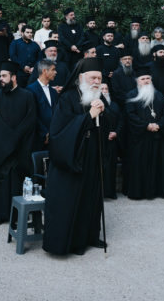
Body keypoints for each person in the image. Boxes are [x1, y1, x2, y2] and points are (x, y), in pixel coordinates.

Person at [43, 58, 111, 255]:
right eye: (92, 78)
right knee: (72, 201)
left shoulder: (99, 96)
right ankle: (71, 243)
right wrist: (89, 116)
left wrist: (104, 112)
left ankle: (90, 236)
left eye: (99, 78)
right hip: (73, 158)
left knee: (91, 198)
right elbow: (59, 132)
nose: (96, 81)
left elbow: (110, 122)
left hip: (93, 156)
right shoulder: (67, 98)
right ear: (81, 78)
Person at [0, 61, 36, 225]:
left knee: (17, 181)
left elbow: (31, 120)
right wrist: (9, 139)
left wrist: (16, 138)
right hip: (1, 148)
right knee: (2, 181)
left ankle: (17, 213)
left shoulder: (27, 96)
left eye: (4, 76)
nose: (1, 79)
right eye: (0, 76)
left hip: (20, 148)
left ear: (13, 77)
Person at [124, 66, 164, 199]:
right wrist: (146, 126)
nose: (146, 81)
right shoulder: (131, 95)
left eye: (148, 78)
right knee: (139, 165)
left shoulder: (159, 95)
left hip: (156, 136)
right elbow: (130, 115)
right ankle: (139, 192)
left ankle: (155, 192)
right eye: (143, 79)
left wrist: (159, 125)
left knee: (156, 165)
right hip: (139, 138)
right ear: (137, 81)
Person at [27, 59, 58, 151]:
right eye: (53, 69)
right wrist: (44, 133)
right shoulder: (30, 90)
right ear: (44, 71)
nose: (56, 72)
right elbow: (32, 115)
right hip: (37, 138)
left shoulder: (53, 92)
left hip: (53, 137)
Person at [100, 83, 121, 199]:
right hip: (101, 141)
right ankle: (101, 193)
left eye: (106, 88)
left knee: (112, 166)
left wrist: (116, 132)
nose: (104, 91)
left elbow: (121, 121)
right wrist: (104, 134)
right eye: (102, 88)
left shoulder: (115, 105)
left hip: (113, 140)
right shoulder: (96, 104)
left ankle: (111, 192)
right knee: (101, 167)